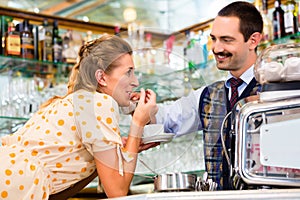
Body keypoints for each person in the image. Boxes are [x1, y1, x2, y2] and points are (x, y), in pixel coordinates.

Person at [0, 34, 158, 199]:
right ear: (102, 77)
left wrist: (122, 150)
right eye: (128, 73)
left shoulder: (79, 101)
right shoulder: (99, 103)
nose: (136, 82)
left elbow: (53, 189)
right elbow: (117, 191)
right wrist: (138, 123)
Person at [151, 1, 263, 190]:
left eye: (227, 40)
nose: (217, 48)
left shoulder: (279, 89)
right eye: (214, 39)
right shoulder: (207, 95)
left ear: (253, 40)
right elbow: (166, 119)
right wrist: (134, 103)